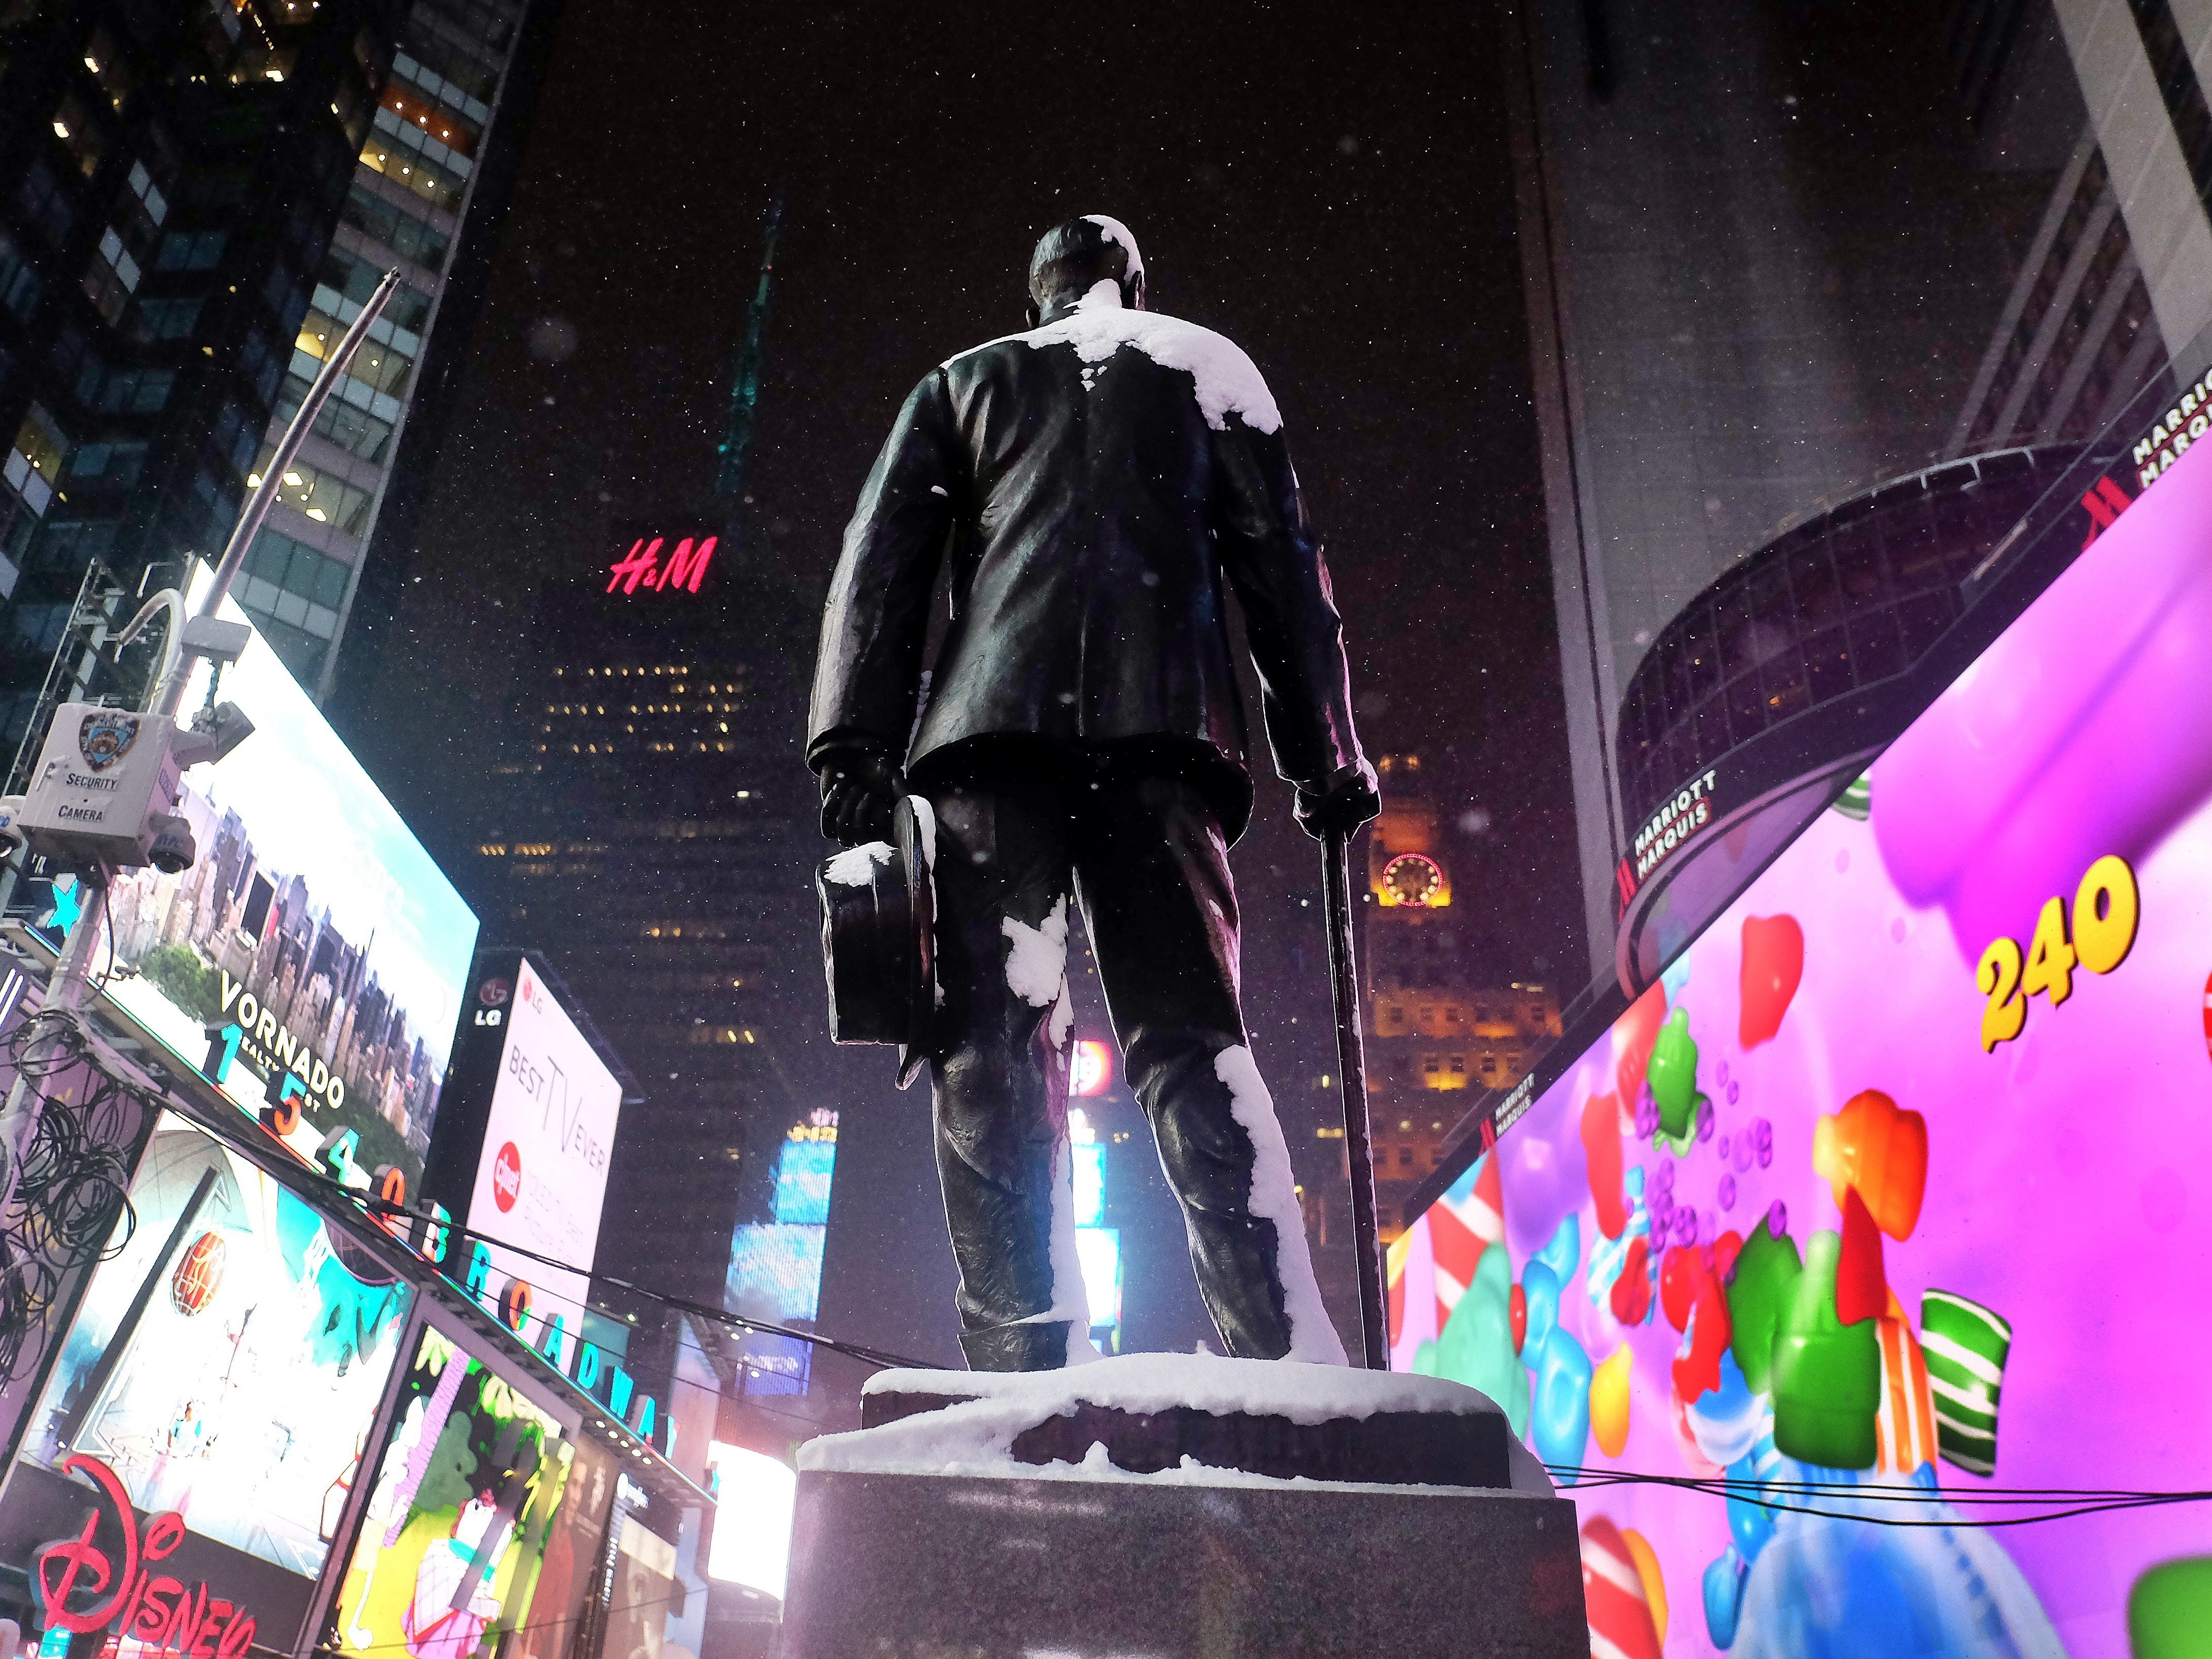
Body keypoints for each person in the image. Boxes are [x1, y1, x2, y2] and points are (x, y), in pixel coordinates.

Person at [809, 215, 1378, 1370]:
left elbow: (876, 569)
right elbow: (1285, 575)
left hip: (987, 744)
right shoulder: (1206, 368)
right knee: (1191, 1042)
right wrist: (1324, 755)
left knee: (993, 1047)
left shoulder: (963, 382)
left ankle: (1021, 1358)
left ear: (1038, 298)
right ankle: (1282, 1352)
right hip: (1159, 742)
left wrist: (850, 748)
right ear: (1132, 283)